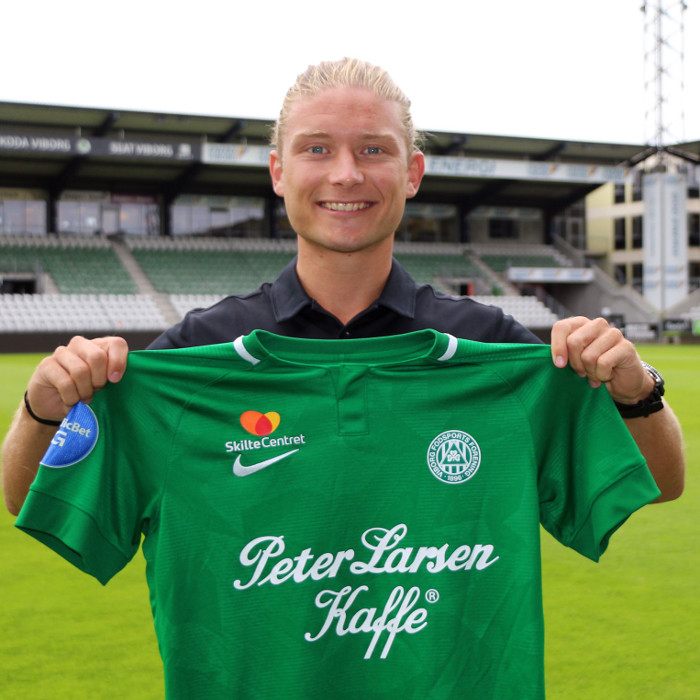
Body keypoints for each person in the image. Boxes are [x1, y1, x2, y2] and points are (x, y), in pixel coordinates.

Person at [0, 58, 685, 698]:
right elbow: (30, 498)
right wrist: (41, 409)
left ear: (412, 172)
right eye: (317, 148)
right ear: (279, 171)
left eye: (374, 149)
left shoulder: (495, 354)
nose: (347, 174)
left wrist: (637, 390)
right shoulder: (194, 360)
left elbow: (660, 482)